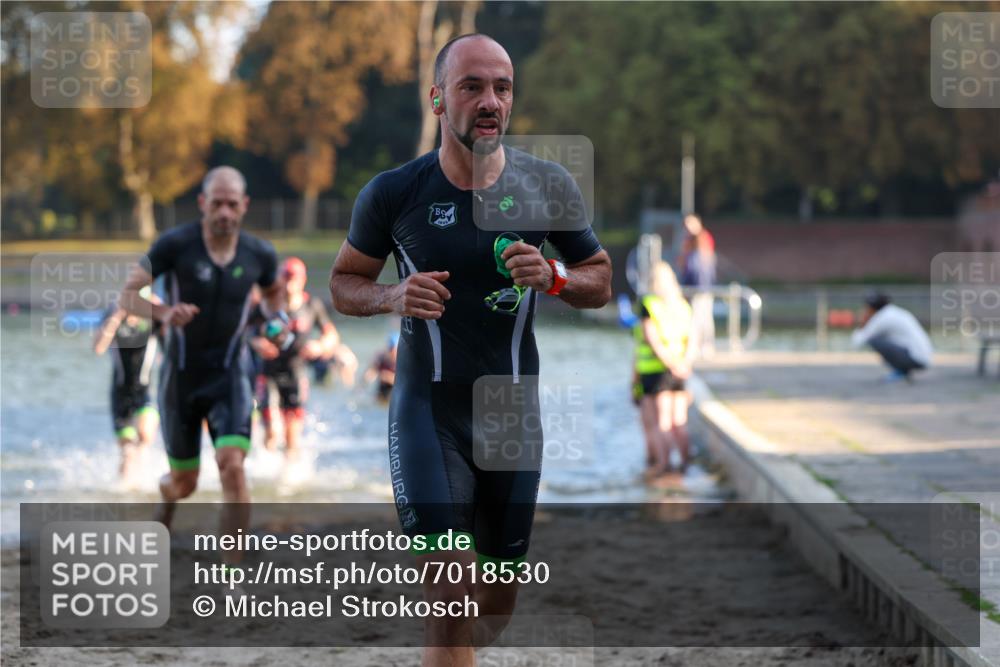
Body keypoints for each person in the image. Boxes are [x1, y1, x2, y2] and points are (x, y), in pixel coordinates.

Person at [329, 33, 612, 666]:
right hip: (428, 411)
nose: (490, 101)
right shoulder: (394, 192)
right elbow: (343, 283)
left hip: (511, 415)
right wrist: (391, 295)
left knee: (493, 603)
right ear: (436, 98)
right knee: (449, 592)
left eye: (502, 88)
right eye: (472, 86)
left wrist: (557, 278)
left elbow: (600, 278)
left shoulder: (548, 185)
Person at [119, 167, 285, 558]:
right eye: (217, 204)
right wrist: (163, 313)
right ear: (202, 204)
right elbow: (127, 296)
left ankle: (231, 576)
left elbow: (275, 293)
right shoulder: (175, 245)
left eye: (232, 204)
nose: (224, 212)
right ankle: (167, 496)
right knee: (185, 482)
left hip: (230, 374)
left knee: (232, 464)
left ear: (244, 206)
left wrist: (277, 322)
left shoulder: (259, 253)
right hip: (180, 378)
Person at [250, 256, 355, 458]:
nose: (289, 283)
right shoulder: (267, 304)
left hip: (296, 373)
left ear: (302, 280)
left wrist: (319, 345)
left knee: (292, 437)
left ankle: (287, 477)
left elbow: (331, 335)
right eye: (285, 278)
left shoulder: (311, 306)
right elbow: (245, 333)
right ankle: (265, 468)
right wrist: (258, 344)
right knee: (272, 429)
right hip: (268, 373)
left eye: (293, 278)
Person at [92, 285, 161, 484]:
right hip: (120, 394)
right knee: (127, 450)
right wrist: (116, 316)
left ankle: (144, 479)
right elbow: (97, 348)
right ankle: (126, 491)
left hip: (145, 392)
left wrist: (161, 309)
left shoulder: (152, 322)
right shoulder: (115, 320)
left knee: (145, 435)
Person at [632, 262, 693, 479]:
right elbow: (692, 339)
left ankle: (663, 465)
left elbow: (652, 339)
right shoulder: (682, 305)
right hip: (680, 369)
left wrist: (670, 364)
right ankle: (686, 465)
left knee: (661, 423)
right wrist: (684, 365)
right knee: (679, 422)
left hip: (656, 370)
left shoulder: (648, 304)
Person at [852, 292, 933, 382]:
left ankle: (901, 372)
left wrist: (862, 323)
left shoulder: (882, 317)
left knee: (874, 340)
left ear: (871, 308)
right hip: (922, 356)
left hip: (916, 358)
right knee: (883, 338)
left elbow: (859, 341)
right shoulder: (893, 312)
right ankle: (902, 371)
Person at [680, 213, 716, 359]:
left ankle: (706, 346)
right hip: (692, 287)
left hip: (701, 288)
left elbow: (703, 268)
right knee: (695, 318)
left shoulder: (703, 239)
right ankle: (698, 346)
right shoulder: (688, 242)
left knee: (702, 318)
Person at [364, 332, 399, 404]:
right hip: (382, 390)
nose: (392, 352)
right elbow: (371, 372)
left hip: (396, 392)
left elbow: (405, 383)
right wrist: (369, 375)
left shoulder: (402, 361)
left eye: (394, 349)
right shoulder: (381, 358)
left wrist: (388, 377)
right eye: (390, 349)